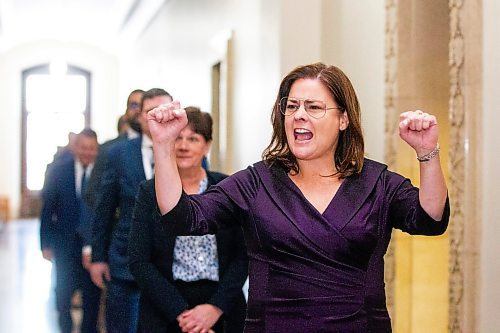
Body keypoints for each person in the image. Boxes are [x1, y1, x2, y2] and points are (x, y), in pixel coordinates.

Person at [147, 63, 450, 332]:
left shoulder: (376, 183)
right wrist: (163, 146)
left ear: (343, 119)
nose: (299, 116)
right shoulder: (257, 183)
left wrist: (427, 153)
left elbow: (430, 219)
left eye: (314, 107)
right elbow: (183, 217)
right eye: (291, 106)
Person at [129, 107, 248, 333]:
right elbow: (139, 261)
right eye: (178, 138)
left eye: (193, 139)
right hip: (165, 307)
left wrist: (214, 308)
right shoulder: (149, 191)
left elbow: (242, 256)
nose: (183, 146)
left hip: (222, 305)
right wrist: (182, 314)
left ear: (207, 145)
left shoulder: (227, 188)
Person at [90, 88, 173, 333]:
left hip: (169, 266)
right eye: (151, 111)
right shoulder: (118, 154)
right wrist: (97, 257)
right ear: (140, 116)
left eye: (164, 110)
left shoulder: (187, 150)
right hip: (125, 262)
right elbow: (104, 208)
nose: (158, 117)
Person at [40, 128, 101, 333]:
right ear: (76, 148)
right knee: (63, 295)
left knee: (91, 297)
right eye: (83, 148)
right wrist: (45, 244)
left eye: (91, 149)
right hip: (64, 244)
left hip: (93, 247)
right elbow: (48, 209)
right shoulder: (59, 171)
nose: (87, 153)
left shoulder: (103, 173)